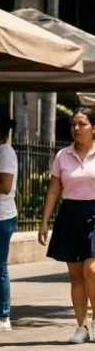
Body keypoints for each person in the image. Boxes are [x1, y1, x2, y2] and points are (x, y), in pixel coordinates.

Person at [38, 108, 95, 344]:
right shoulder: (62, 156)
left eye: (82, 124)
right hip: (70, 213)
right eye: (73, 125)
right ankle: (81, 326)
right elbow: (55, 189)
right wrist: (45, 221)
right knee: (76, 275)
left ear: (94, 128)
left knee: (93, 270)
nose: (76, 129)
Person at [0, 117, 17, 332]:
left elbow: (5, 185)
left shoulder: (5, 152)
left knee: (0, 267)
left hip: (2, 217)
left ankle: (3, 315)